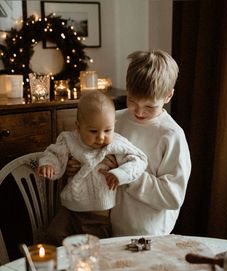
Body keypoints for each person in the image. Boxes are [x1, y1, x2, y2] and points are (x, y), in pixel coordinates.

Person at [68, 50, 191, 236]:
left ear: (168, 96)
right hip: (104, 226)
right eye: (132, 100)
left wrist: (125, 173)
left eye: (150, 107)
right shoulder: (112, 121)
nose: (139, 112)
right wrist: (75, 164)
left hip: (148, 234)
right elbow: (88, 152)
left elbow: (172, 196)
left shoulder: (172, 135)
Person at [37, 90, 147, 245]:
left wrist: (120, 173)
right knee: (53, 236)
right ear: (78, 126)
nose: (101, 137)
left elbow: (139, 160)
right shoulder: (69, 140)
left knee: (96, 250)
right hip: (69, 210)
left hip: (98, 215)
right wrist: (49, 165)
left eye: (107, 130)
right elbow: (54, 153)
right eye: (93, 131)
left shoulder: (115, 143)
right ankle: (57, 267)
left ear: (113, 125)